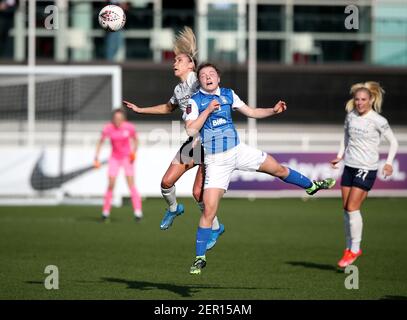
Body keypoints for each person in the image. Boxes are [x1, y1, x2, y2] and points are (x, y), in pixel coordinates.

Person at [185, 63, 336, 275]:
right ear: (199, 80)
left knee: (278, 169)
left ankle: (311, 186)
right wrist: (208, 110)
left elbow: (252, 112)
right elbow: (191, 130)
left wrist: (273, 111)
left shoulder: (228, 94)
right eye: (203, 75)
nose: (208, 77)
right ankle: (200, 258)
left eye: (211, 74)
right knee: (209, 210)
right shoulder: (195, 101)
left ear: (218, 78)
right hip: (215, 160)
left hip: (238, 150)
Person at [123, 27, 224, 250]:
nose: (174, 63)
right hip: (194, 143)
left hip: (211, 143)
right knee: (166, 182)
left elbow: (212, 85)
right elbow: (168, 108)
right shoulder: (179, 90)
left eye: (179, 60)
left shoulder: (199, 82)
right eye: (174, 60)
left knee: (198, 193)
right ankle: (173, 209)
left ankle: (216, 227)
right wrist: (140, 110)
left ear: (191, 65)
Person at [330, 81, 398, 268]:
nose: (359, 103)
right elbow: (345, 137)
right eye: (357, 99)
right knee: (346, 209)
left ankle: (356, 248)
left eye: (363, 100)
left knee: (352, 208)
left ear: (371, 100)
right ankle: (348, 247)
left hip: (366, 168)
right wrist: (339, 156)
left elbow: (393, 142)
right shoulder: (351, 116)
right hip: (349, 166)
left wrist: (389, 163)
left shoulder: (378, 120)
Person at [94, 109, 143, 221]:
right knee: (111, 184)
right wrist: (96, 157)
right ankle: (105, 212)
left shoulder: (129, 127)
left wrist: (134, 152)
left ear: (123, 119)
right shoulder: (108, 128)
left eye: (120, 118)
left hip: (127, 158)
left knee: (131, 184)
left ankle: (138, 212)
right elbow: (100, 142)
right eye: (116, 118)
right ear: (113, 119)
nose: (118, 121)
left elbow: (136, 140)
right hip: (114, 158)